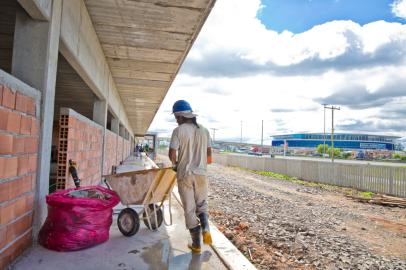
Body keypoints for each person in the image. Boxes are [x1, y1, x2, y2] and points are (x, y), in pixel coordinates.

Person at [168, 100, 213, 253]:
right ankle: (206, 228)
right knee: (202, 205)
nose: (176, 119)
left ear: (181, 115)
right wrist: (200, 163)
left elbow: (172, 154)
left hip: (185, 174)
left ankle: (196, 245)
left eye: (176, 116)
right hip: (201, 174)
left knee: (189, 209)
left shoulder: (178, 131)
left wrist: (175, 164)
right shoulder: (205, 131)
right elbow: (209, 158)